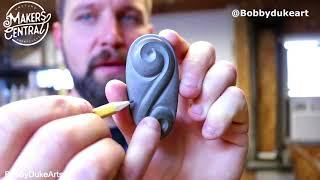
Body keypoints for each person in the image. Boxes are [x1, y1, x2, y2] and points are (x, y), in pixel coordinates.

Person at [0, 0, 249, 179]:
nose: (111, 36)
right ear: (58, 36)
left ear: (149, 34)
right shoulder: (17, 149)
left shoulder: (183, 135)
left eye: (129, 16)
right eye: (87, 15)